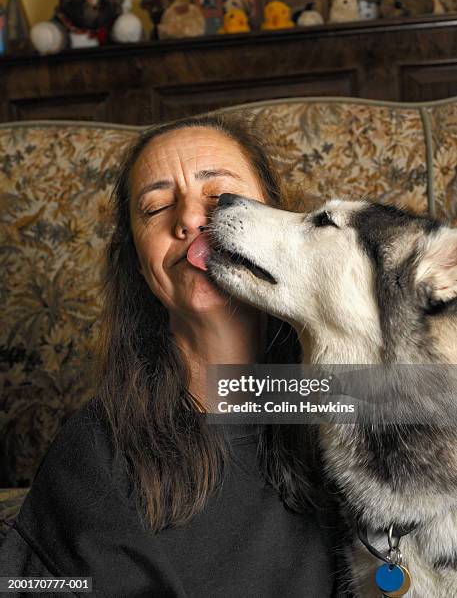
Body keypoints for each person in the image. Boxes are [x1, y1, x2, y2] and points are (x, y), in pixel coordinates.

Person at [0, 114, 352, 597]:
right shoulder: (96, 452)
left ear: (280, 219)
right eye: (157, 207)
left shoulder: (355, 399)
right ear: (137, 262)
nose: (189, 219)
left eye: (221, 197)